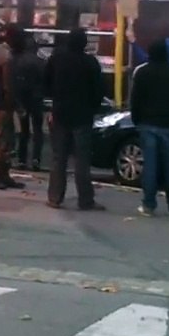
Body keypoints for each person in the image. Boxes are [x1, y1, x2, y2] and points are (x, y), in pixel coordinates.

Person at [43, 28, 105, 211]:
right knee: (82, 160)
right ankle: (85, 199)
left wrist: (54, 102)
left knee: (58, 158)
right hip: (83, 116)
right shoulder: (90, 62)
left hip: (60, 113)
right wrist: (92, 108)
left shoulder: (56, 59)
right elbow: (99, 90)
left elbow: (45, 83)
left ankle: (55, 197)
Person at [130, 39, 169, 217]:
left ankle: (148, 204)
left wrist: (137, 120)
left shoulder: (142, 73)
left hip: (147, 123)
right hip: (168, 125)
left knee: (150, 165)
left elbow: (136, 99)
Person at [3, 25, 47, 173]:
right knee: (38, 130)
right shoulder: (40, 62)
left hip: (22, 99)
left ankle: (22, 159)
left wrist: (18, 102)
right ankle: (36, 159)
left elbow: (12, 83)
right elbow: (46, 81)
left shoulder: (15, 61)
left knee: (24, 130)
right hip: (37, 99)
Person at [0, 25, 25, 190]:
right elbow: (8, 85)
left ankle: (2, 174)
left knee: (5, 140)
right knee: (1, 141)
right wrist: (18, 106)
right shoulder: (6, 56)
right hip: (2, 106)